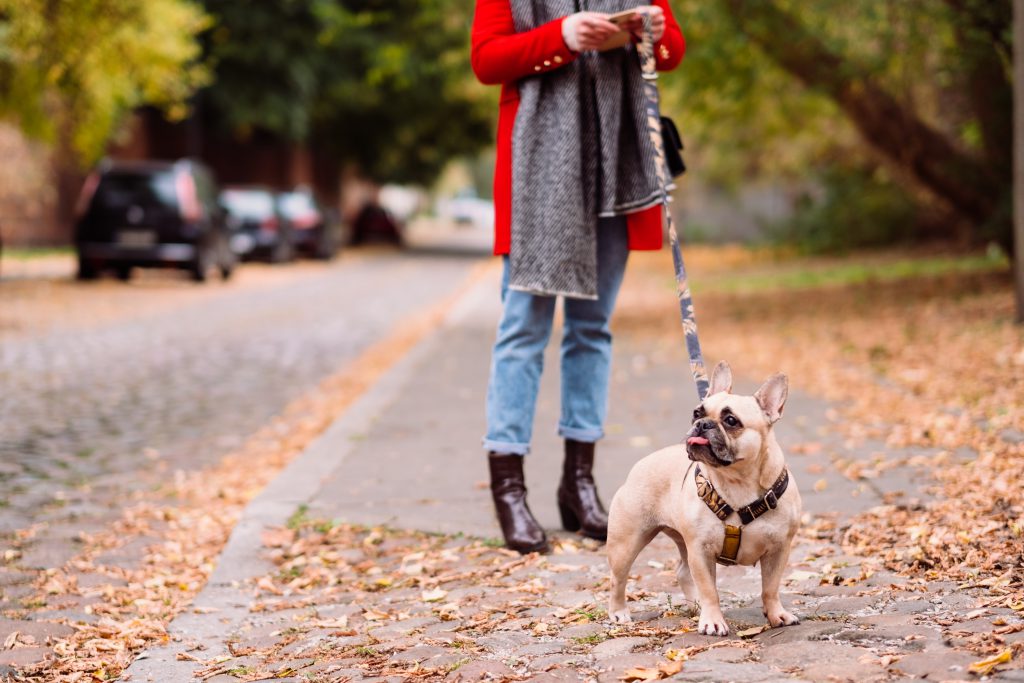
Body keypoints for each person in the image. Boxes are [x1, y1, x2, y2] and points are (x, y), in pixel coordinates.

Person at [471, 0, 685, 553]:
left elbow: (672, 52)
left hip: (618, 165)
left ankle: (578, 484)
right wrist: (562, 35)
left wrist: (655, 31)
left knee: (592, 329)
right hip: (538, 173)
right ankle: (510, 490)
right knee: (523, 329)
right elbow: (487, 60)